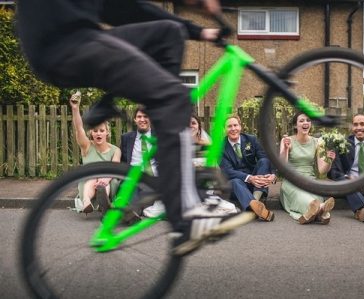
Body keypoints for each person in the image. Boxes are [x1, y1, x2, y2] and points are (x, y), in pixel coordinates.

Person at [17, 0, 244, 254]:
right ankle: (185, 218)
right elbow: (125, 10)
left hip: (83, 40)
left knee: (169, 32)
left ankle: (124, 108)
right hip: (63, 48)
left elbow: (127, 8)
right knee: (174, 97)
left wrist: (198, 31)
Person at [69, 92, 121, 215]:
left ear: (107, 133)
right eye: (95, 131)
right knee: (92, 178)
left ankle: (105, 204)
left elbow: (114, 168)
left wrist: (104, 180)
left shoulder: (115, 150)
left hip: (107, 182)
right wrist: (75, 109)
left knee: (103, 182)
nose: (98, 133)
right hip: (89, 184)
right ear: (91, 133)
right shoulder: (87, 146)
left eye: (102, 131)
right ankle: (87, 202)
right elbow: (79, 128)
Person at [279, 113, 336, 224]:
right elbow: (282, 166)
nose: (305, 123)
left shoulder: (318, 142)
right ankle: (322, 210)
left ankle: (314, 212)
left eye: (308, 120)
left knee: (314, 194)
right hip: (292, 180)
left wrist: (329, 160)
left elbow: (321, 170)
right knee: (300, 194)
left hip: (310, 179)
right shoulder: (287, 140)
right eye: (301, 121)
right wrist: (286, 149)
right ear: (295, 126)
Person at [220, 115, 275, 221]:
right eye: (229, 126)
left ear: (240, 127)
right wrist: (249, 178)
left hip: (256, 184)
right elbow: (227, 171)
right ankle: (257, 207)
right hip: (236, 187)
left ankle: (254, 203)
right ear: (224, 129)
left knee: (264, 161)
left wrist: (272, 175)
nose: (233, 129)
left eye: (235, 125)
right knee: (235, 181)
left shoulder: (251, 139)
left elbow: (264, 157)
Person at [120, 105, 165, 218]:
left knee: (139, 203)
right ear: (135, 119)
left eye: (146, 116)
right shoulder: (126, 138)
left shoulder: (159, 137)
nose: (142, 119)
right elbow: (123, 161)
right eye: (139, 117)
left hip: (153, 179)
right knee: (131, 198)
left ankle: (126, 212)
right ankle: (129, 211)